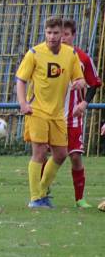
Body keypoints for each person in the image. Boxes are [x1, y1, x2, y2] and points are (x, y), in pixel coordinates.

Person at [15, 17, 85, 209]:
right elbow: (21, 79)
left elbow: (80, 79)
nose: (52, 37)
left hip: (57, 113)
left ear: (62, 33)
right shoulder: (35, 53)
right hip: (37, 110)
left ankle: (42, 190)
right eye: (49, 33)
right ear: (45, 33)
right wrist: (22, 103)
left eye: (56, 33)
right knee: (39, 152)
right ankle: (35, 198)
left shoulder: (70, 54)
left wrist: (80, 83)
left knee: (61, 154)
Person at [55, 19, 101, 208]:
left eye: (66, 34)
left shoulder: (82, 57)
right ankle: (40, 194)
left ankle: (79, 198)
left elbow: (94, 83)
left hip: (72, 117)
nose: (63, 38)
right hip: (51, 115)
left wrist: (84, 102)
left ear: (74, 35)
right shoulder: (47, 57)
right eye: (60, 34)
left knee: (75, 156)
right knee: (43, 154)